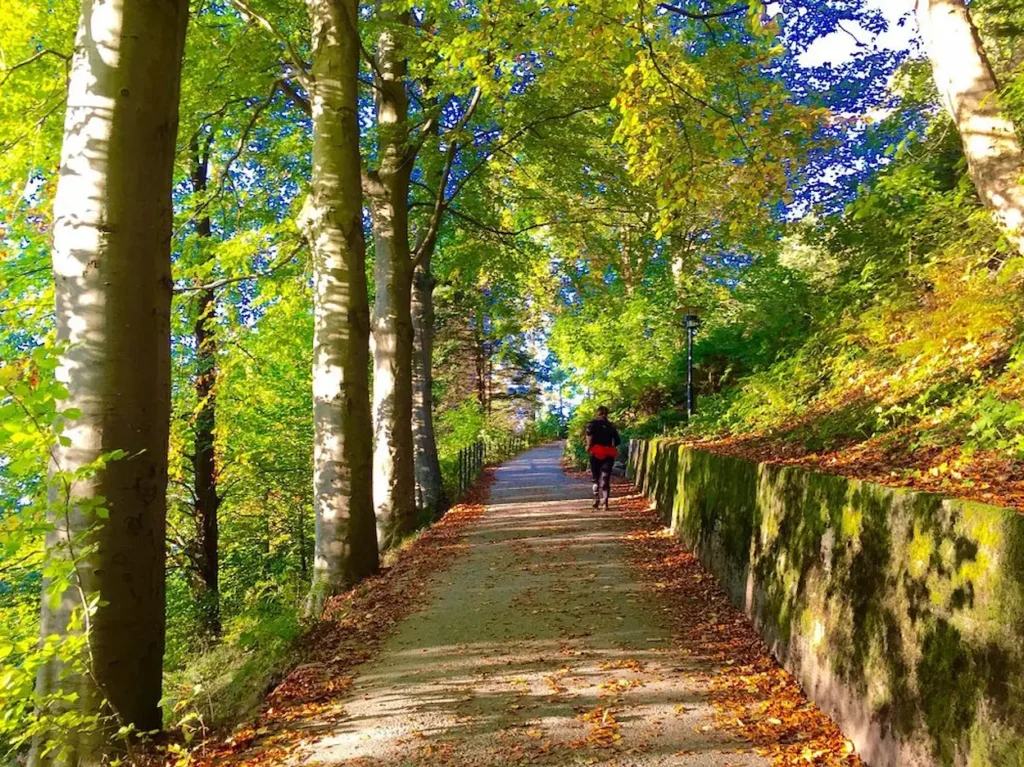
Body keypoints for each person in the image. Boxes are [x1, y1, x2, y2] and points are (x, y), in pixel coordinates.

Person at [585, 406, 621, 509]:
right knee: (606, 478)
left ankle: (596, 498)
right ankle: (605, 503)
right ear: (607, 414)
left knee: (595, 478)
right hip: (608, 453)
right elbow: (617, 441)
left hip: (596, 452)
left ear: (597, 413)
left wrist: (588, 446)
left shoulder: (592, 424)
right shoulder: (611, 426)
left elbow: (589, 437)